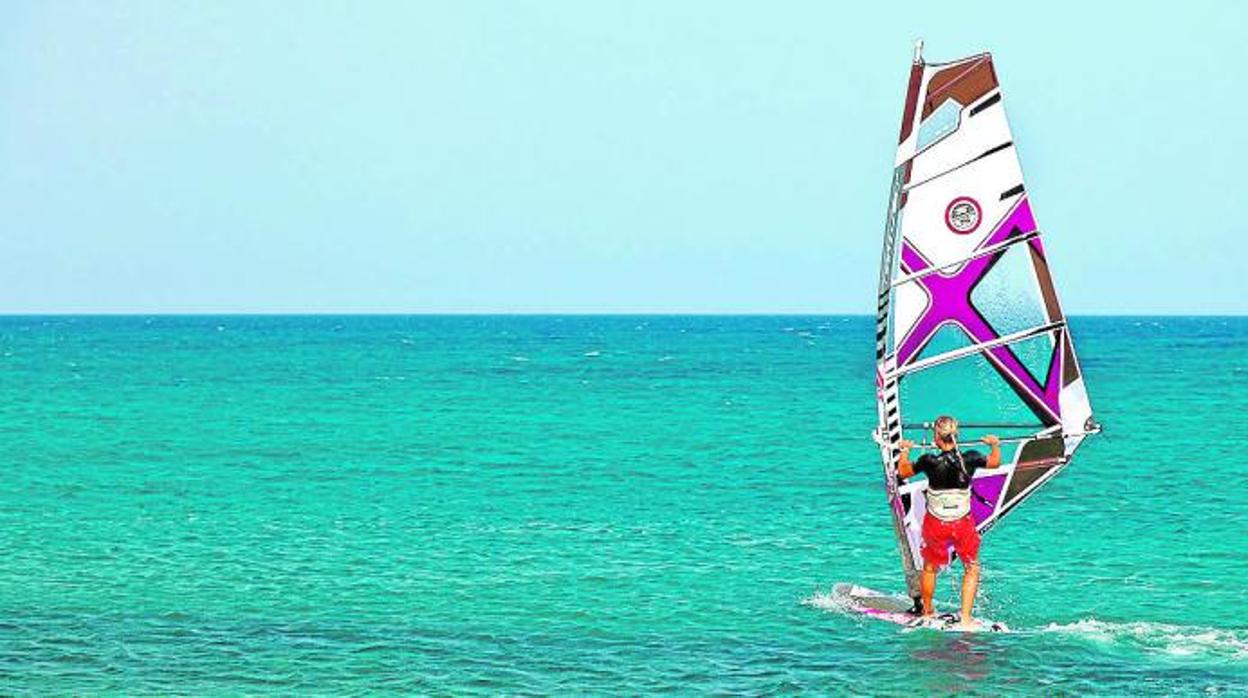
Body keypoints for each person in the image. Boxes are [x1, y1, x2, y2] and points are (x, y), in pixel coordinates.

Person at [897, 415, 1001, 630]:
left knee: (930, 567)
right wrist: (995, 445)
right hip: (962, 524)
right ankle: (965, 618)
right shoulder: (971, 458)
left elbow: (903, 471)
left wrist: (905, 450)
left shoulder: (929, 461)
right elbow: (994, 462)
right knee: (971, 568)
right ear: (956, 435)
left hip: (936, 524)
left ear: (937, 436)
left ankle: (927, 611)